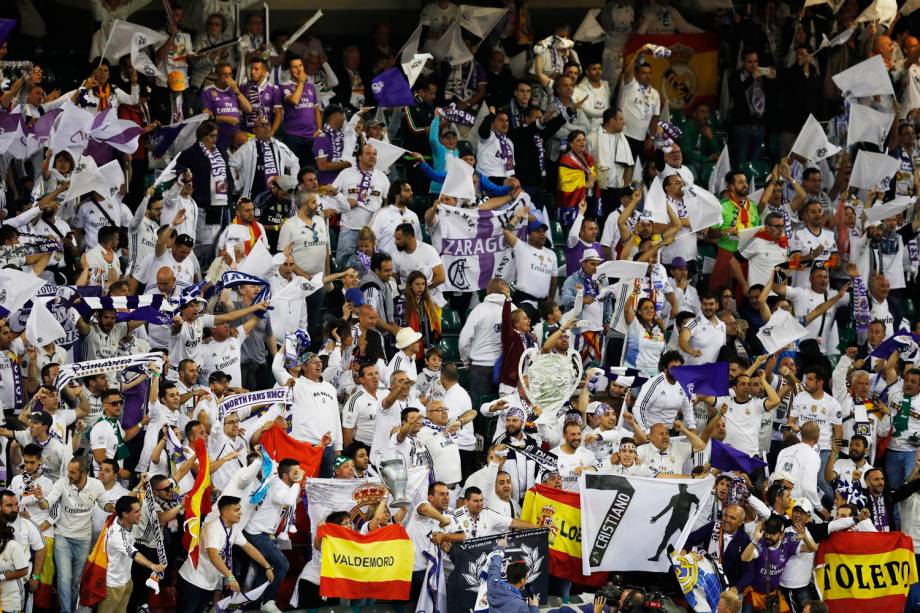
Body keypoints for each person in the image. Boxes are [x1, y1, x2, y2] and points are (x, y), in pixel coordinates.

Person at [176, 496, 275, 613]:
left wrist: (267, 566)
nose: (240, 512)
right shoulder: (213, 528)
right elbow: (214, 556)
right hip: (193, 581)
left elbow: (248, 547)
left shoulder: (234, 528)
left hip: (208, 583)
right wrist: (231, 577)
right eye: (236, 510)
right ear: (226, 513)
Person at [100, 496, 166, 613]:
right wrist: (153, 566)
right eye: (136, 512)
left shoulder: (125, 520)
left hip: (126, 580)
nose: (140, 514)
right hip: (113, 585)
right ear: (125, 514)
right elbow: (135, 554)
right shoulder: (117, 535)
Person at [486, 541, 540, 613]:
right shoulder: (521, 606)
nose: (527, 580)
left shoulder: (494, 585)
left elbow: (494, 568)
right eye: (526, 578)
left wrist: (500, 548)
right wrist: (534, 607)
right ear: (522, 580)